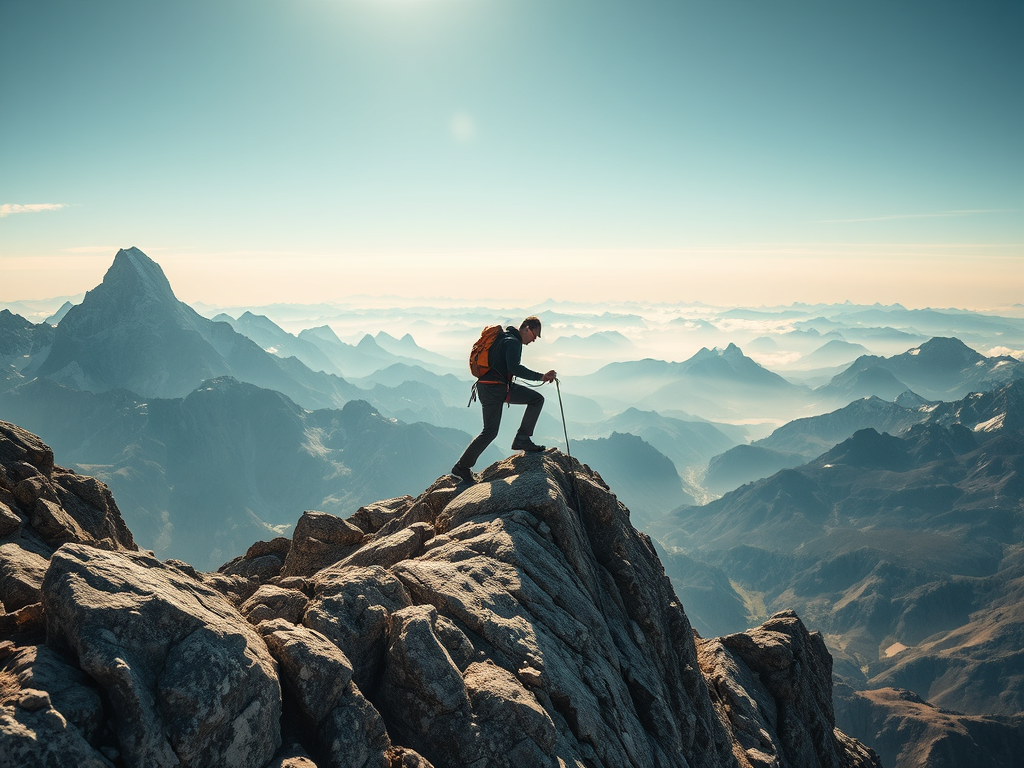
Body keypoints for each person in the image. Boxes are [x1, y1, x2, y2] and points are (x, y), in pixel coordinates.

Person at [452, 316, 557, 483]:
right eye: (535, 335)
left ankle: (462, 466)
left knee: (490, 431)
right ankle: (521, 438)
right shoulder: (513, 342)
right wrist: (541, 376)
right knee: (536, 400)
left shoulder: (504, 337)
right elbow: (515, 368)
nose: (534, 340)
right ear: (527, 329)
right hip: (496, 389)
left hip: (487, 387)